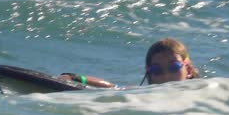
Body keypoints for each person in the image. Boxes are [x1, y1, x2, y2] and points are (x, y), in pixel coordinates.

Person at [60, 38, 199, 88]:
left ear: (189, 70)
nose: (166, 75)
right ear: (148, 73)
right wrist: (74, 78)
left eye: (174, 67)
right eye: (157, 70)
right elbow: (112, 88)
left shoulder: (205, 93)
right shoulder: (142, 95)